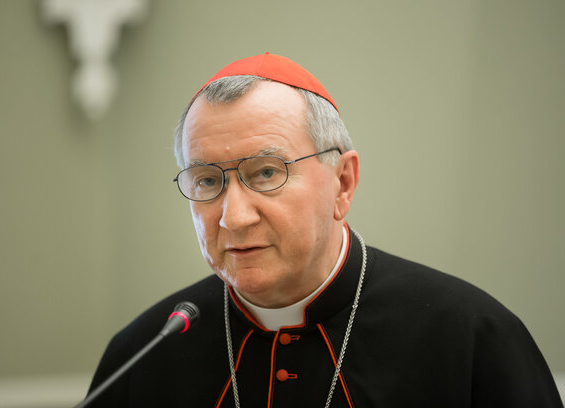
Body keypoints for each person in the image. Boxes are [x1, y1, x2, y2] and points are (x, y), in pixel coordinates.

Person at [88, 53, 563, 407]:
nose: (233, 216)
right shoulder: (142, 354)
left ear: (342, 183)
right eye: (208, 180)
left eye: (266, 173)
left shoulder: (473, 339)